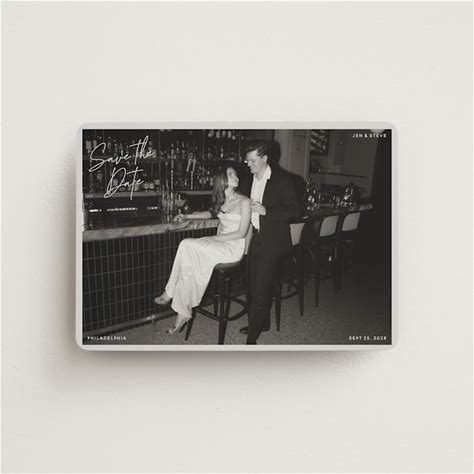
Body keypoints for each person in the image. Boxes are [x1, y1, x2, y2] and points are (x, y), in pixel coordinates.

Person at [154, 166, 251, 334]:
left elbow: (241, 233)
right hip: (220, 245)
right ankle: (182, 310)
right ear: (221, 180)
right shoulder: (222, 200)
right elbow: (210, 213)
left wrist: (213, 238)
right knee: (187, 253)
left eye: (235, 174)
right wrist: (186, 216)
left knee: (187, 245)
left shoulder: (244, 202)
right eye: (230, 174)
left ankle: (171, 293)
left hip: (233, 247)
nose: (235, 176)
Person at [239, 140, 300, 344]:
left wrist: (267, 211)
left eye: (252, 161)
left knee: (260, 290)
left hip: (273, 241)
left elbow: (295, 210)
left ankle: (252, 337)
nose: (249, 164)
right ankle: (262, 323)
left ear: (265, 158)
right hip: (255, 237)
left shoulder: (282, 180)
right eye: (247, 161)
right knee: (251, 287)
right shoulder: (248, 180)